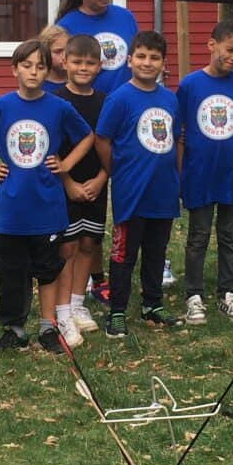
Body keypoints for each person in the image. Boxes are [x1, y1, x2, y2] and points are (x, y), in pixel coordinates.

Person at [0, 39, 93, 353]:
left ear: (48, 71)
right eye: (26, 66)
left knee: (48, 269)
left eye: (40, 66)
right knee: (12, 271)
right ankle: (14, 329)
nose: (33, 72)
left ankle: (48, 327)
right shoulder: (0, 106)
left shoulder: (59, 107)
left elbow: (87, 136)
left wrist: (66, 164)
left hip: (48, 207)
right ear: (15, 69)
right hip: (11, 210)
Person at [95, 30, 181, 336]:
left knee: (156, 251)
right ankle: (117, 310)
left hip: (163, 192)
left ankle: (152, 304)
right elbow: (102, 139)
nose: (147, 63)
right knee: (124, 254)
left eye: (154, 58)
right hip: (131, 192)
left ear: (163, 63)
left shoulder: (169, 99)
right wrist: (116, 171)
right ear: (130, 60)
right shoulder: (119, 98)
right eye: (141, 56)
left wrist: (177, 177)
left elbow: (175, 140)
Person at [178, 20, 233, 324]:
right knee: (198, 236)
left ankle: (227, 293)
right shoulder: (189, 85)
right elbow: (180, 131)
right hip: (199, 172)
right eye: (229, 50)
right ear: (212, 45)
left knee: (230, 236)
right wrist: (180, 172)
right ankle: (193, 295)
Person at [52, 34, 109, 341]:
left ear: (100, 66)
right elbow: (52, 149)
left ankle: (78, 304)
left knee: (89, 243)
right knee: (68, 246)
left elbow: (109, 145)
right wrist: (68, 182)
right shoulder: (56, 101)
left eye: (90, 63)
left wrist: (102, 178)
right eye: (77, 62)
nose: (83, 68)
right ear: (65, 62)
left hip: (96, 183)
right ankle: (62, 309)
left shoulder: (104, 102)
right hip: (66, 185)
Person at [56, 0, 139, 94]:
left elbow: (138, 58)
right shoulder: (66, 26)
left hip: (126, 101)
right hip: (88, 103)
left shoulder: (125, 17)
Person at [38, 24, 70, 92]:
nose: (64, 56)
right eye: (58, 51)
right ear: (44, 52)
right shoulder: (37, 85)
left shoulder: (79, 81)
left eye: (68, 50)